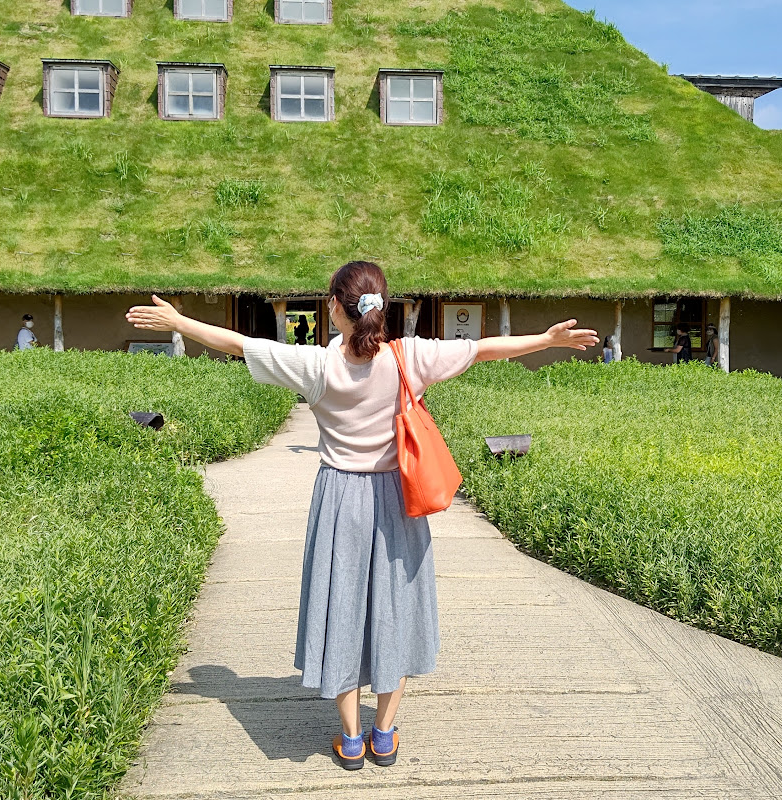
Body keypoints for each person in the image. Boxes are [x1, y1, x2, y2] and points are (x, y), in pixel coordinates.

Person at [125, 262, 599, 771]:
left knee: (342, 610)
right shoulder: (409, 356)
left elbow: (239, 344)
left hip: (339, 501)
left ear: (334, 307)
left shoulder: (316, 365)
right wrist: (547, 339)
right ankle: (384, 735)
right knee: (396, 609)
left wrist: (179, 322)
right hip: (399, 499)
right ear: (383, 306)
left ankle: (351, 740)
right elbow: (483, 348)